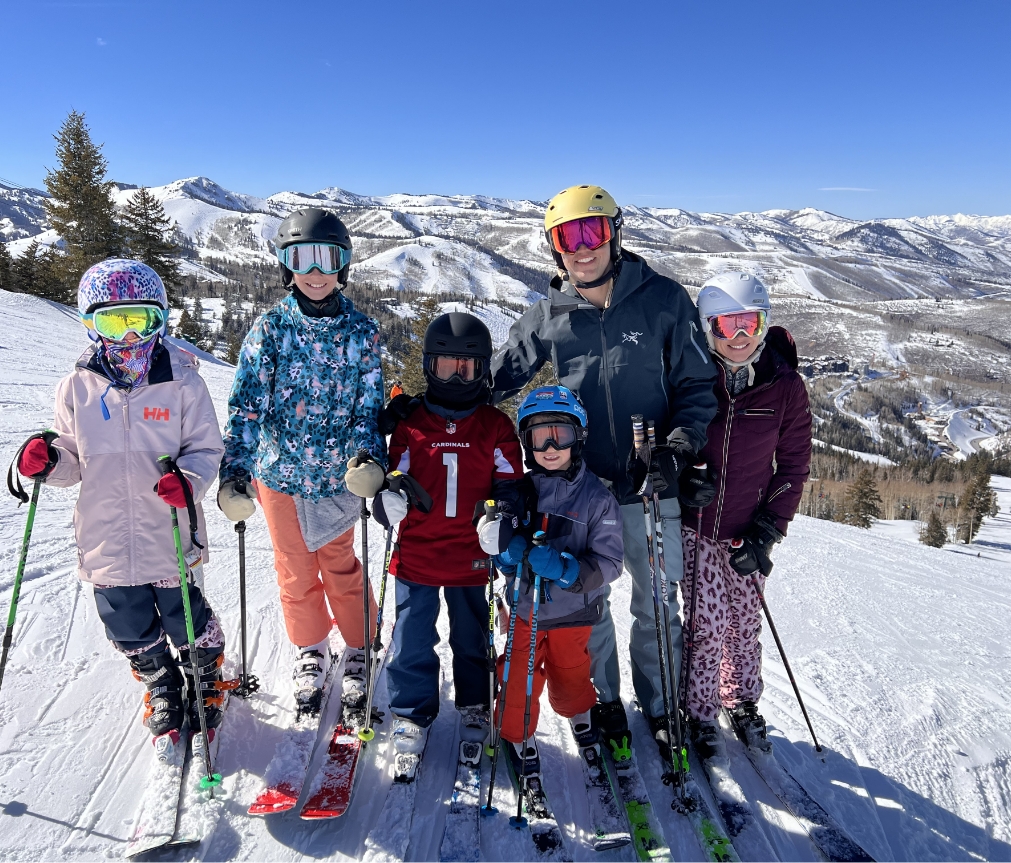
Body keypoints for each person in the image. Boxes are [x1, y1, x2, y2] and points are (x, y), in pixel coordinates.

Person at [489, 185, 718, 761]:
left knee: (655, 602)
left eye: (593, 232)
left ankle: (661, 705)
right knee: (587, 603)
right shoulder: (551, 314)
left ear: (615, 233)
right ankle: (605, 697)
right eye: (569, 237)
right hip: (581, 491)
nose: (582, 247)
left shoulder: (663, 299)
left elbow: (696, 386)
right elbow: (494, 379)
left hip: (650, 484)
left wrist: (676, 448)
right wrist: (429, 399)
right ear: (554, 248)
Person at [14, 259, 226, 749]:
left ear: (162, 319)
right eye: (114, 321)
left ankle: (206, 675)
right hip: (106, 533)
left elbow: (206, 448)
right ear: (91, 323)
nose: (130, 336)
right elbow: (72, 458)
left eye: (142, 320)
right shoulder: (77, 388)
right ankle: (160, 681)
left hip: (168, 527)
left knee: (183, 614)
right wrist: (48, 461)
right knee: (126, 618)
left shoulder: (182, 382)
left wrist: (188, 480)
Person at [217, 208, 386, 723]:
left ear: (344, 265)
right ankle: (311, 648)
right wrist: (235, 470)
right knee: (294, 570)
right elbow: (246, 404)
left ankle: (359, 647)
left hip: (336, 480)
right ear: (285, 266)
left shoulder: (362, 332)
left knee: (339, 566)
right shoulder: (269, 330)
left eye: (326, 259)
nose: (315, 272)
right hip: (280, 478)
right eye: (301, 259)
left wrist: (366, 457)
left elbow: (368, 408)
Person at [369, 312, 523, 778]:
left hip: (470, 555)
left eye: (468, 368)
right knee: (412, 637)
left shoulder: (494, 425)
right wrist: (385, 504)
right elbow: (390, 477)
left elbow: (512, 484)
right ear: (428, 366)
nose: (457, 377)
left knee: (471, 634)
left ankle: (475, 702)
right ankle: (411, 714)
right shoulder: (412, 424)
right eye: (446, 367)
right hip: (416, 552)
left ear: (482, 372)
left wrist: (504, 519)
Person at [679, 272, 811, 759]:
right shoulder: (691, 376)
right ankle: (698, 710)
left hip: (747, 531)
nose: (738, 338)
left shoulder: (784, 387)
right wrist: (679, 481)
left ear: (764, 325)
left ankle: (742, 701)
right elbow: (667, 439)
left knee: (745, 623)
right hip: (697, 528)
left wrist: (769, 529)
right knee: (707, 625)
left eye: (749, 324)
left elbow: (794, 464)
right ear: (707, 328)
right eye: (725, 326)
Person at [482, 386, 623, 783]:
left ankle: (578, 711)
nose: (548, 446)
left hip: (575, 612)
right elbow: (499, 541)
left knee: (572, 671)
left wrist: (567, 570)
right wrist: (505, 556)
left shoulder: (597, 498)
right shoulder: (520, 493)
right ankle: (515, 732)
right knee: (516, 673)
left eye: (558, 435)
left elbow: (611, 562)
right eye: (537, 436)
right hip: (526, 610)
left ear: (578, 437)